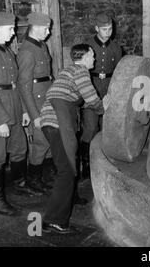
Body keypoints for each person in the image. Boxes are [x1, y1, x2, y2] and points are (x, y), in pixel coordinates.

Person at [40, 43, 106, 234]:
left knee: (69, 162)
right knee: (67, 169)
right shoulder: (81, 70)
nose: (94, 59)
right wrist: (104, 108)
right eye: (92, 55)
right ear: (84, 57)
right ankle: (53, 220)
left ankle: (71, 196)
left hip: (51, 121)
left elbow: (78, 100)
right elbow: (91, 98)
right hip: (58, 122)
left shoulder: (67, 70)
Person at [0, 12, 31, 216]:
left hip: (13, 104)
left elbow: (15, 85)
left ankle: (19, 185)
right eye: (10, 29)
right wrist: (0, 121)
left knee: (19, 148)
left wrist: (22, 109)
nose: (14, 33)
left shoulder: (7, 51)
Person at [79, 12, 125, 180]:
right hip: (91, 87)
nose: (108, 32)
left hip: (109, 88)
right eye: (104, 29)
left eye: (110, 28)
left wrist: (115, 93)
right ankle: (85, 163)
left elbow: (119, 72)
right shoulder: (87, 46)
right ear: (96, 28)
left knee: (107, 127)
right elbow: (81, 71)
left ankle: (104, 162)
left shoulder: (116, 48)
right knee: (90, 128)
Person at [17, 12, 54, 195]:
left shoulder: (42, 45)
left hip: (47, 98)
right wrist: (33, 115)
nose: (48, 31)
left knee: (48, 140)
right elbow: (24, 87)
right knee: (40, 142)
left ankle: (45, 177)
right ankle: (33, 180)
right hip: (36, 102)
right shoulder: (26, 51)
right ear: (34, 28)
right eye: (46, 28)